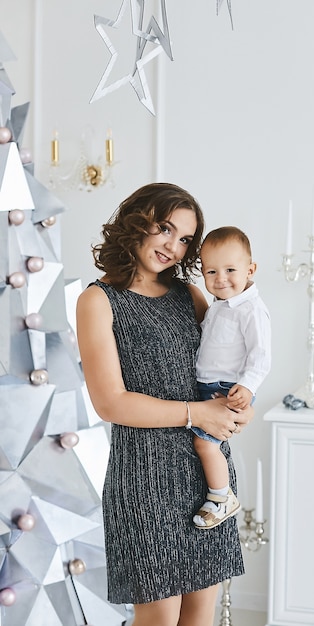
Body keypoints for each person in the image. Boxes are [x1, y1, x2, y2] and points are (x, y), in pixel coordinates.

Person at [76, 183, 254, 626]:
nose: (173, 247)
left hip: (207, 479)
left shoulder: (191, 296)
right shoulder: (97, 301)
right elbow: (110, 402)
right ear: (137, 222)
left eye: (185, 240)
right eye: (165, 229)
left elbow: (224, 369)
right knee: (158, 614)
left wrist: (239, 405)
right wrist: (198, 413)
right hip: (143, 480)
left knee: (199, 613)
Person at [191, 227, 271, 530]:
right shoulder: (220, 305)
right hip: (210, 385)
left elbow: (261, 355)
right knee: (203, 444)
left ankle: (222, 497)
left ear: (250, 270)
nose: (220, 278)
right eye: (211, 271)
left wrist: (248, 388)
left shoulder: (251, 309)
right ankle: (219, 492)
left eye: (230, 270)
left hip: (229, 389)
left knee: (205, 446)